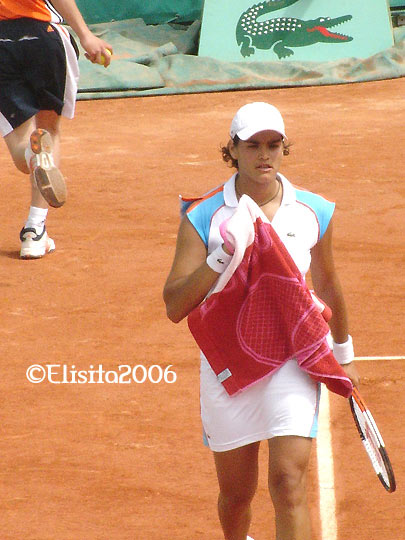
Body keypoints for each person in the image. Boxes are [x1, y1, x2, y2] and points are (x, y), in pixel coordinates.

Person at [163, 102, 360, 540]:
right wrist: (220, 256)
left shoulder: (314, 211)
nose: (264, 155)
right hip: (229, 364)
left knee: (288, 481)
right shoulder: (204, 215)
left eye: (273, 145)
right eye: (252, 145)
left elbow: (328, 284)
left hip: (294, 359)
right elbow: (175, 304)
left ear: (285, 149)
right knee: (236, 496)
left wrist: (343, 355)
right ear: (231, 149)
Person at [0, 0, 112, 258]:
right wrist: (86, 35)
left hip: (2, 44)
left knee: (21, 148)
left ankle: (31, 155)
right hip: (44, 38)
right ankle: (34, 230)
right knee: (49, 131)